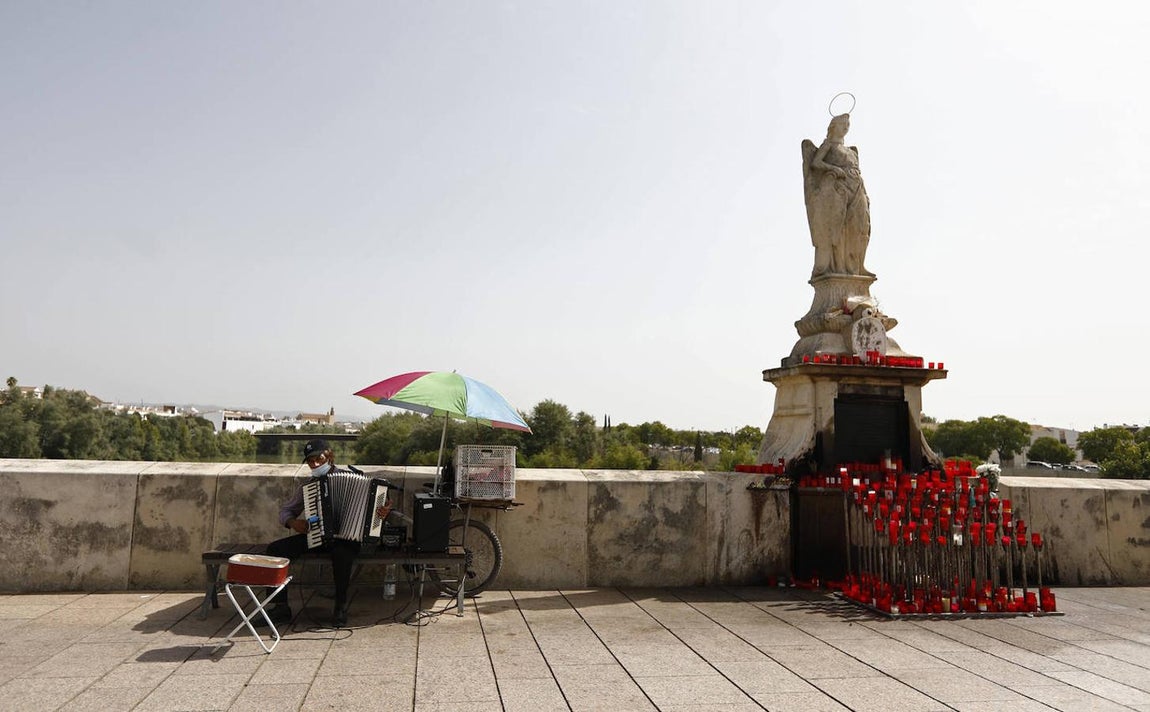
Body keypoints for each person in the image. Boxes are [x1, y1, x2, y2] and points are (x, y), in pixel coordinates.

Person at [261, 438, 391, 628]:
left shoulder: (354, 478)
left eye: (318, 459)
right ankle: (280, 607)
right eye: (310, 461)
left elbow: (380, 507)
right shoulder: (308, 486)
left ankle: (340, 607)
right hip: (317, 536)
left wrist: (383, 511)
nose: (314, 464)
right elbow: (285, 511)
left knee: (342, 554)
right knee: (275, 550)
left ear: (328, 456)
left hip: (348, 538)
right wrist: (292, 522)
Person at [800, 113, 873, 278]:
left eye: (848, 124)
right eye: (842, 124)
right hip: (840, 190)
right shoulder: (829, 145)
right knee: (841, 227)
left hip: (857, 188)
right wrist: (833, 169)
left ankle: (857, 265)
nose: (846, 127)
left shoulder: (851, 151)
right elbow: (815, 163)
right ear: (834, 127)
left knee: (861, 226)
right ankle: (839, 266)